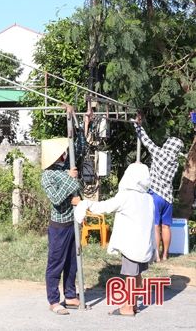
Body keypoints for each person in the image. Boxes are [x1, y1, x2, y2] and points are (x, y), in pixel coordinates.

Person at [72, 162, 155, 317]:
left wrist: (83, 203)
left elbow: (104, 207)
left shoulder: (126, 196)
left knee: (130, 275)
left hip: (131, 244)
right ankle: (132, 303)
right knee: (136, 274)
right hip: (144, 245)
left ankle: (128, 308)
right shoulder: (148, 198)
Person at [41, 107, 90, 315]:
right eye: (62, 151)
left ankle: (70, 295)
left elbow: (79, 146)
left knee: (73, 261)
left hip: (73, 222)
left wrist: (80, 122)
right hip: (59, 225)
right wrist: (72, 183)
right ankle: (54, 300)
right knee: (56, 262)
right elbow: (56, 199)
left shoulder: (66, 166)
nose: (65, 153)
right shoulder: (47, 175)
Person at [134, 116, 184, 261]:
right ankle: (165, 254)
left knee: (155, 226)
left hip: (155, 195)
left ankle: (156, 255)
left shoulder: (159, 153)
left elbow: (146, 141)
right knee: (166, 226)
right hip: (168, 197)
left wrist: (138, 126)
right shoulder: (175, 162)